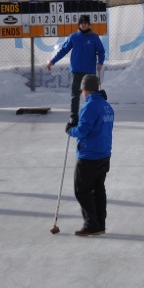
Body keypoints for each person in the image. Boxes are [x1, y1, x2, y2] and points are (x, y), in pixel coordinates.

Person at [65, 74, 114, 236]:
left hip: (89, 155)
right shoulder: (107, 106)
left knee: (82, 190)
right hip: (104, 154)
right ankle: (100, 223)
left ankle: (91, 223)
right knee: (98, 189)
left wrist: (70, 129)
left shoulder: (90, 106)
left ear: (86, 90)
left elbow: (83, 131)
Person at [46, 14, 105, 121]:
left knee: (91, 96)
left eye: (85, 23)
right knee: (75, 95)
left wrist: (100, 62)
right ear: (79, 24)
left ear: (88, 24)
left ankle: (92, 114)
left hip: (90, 72)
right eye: (82, 23)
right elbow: (63, 50)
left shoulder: (94, 37)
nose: (83, 25)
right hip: (76, 71)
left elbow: (101, 51)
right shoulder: (74, 37)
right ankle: (74, 116)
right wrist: (52, 62)